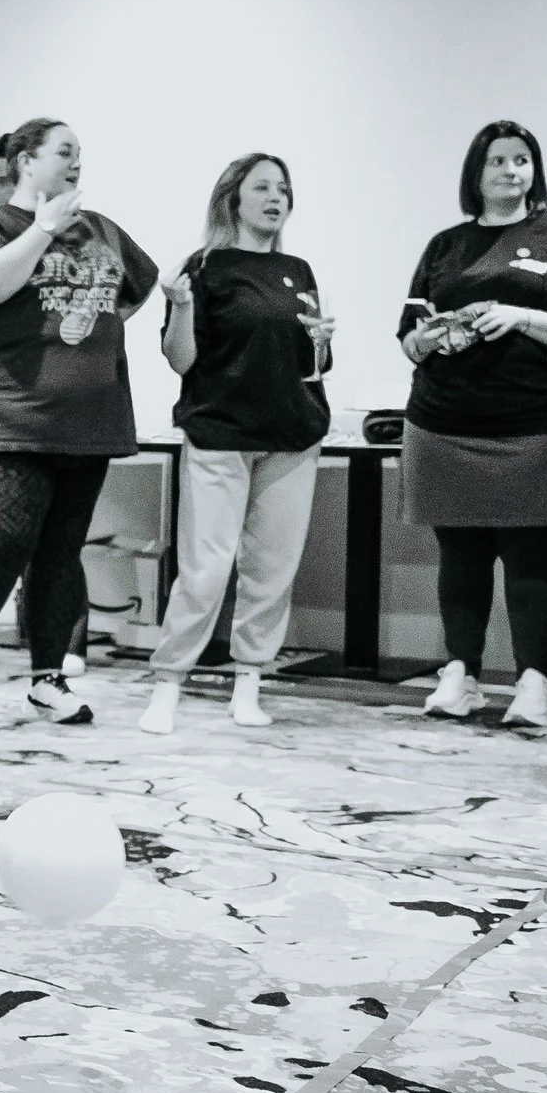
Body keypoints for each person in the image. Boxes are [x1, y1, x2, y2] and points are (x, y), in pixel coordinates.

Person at [0, 119, 158, 734]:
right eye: (64, 151)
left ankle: (48, 679)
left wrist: (91, 316)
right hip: (6, 415)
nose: (77, 161)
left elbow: (137, 285)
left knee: (60, 552)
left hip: (89, 422)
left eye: (81, 153)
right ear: (27, 161)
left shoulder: (102, 229)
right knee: (2, 541)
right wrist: (43, 230)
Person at [397, 121, 547, 730]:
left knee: (530, 553)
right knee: (458, 553)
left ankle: (533, 684)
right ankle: (460, 674)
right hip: (443, 422)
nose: (511, 171)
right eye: (497, 161)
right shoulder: (444, 245)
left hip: (537, 423)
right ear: (476, 173)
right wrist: (430, 336)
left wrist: (519, 315)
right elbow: (409, 339)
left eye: (522, 160)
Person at [140, 154, 333, 735]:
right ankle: (168, 682)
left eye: (284, 189)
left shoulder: (298, 269)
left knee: (271, 569)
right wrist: (180, 307)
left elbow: (312, 367)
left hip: (292, 436)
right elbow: (181, 360)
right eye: (263, 188)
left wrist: (321, 343)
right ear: (234, 198)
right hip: (220, 433)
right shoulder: (203, 268)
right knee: (206, 568)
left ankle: (250, 681)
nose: (276, 198)